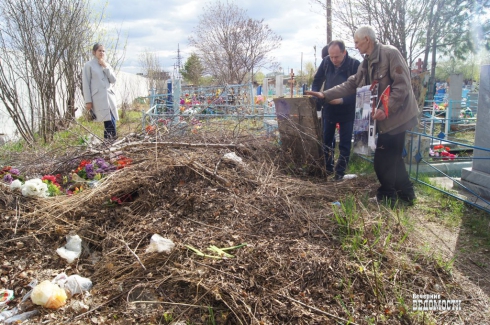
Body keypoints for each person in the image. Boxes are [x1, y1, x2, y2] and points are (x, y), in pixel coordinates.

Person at [306, 26, 419, 206]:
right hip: (386, 117)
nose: (355, 46)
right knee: (394, 157)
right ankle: (407, 195)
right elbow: (353, 83)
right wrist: (325, 94)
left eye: (357, 42)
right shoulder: (367, 62)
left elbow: (402, 86)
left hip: (398, 117)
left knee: (383, 159)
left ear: (367, 39)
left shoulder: (390, 54)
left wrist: (385, 108)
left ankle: (387, 195)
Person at [312, 40, 360, 181]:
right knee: (326, 141)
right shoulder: (326, 62)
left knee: (345, 144)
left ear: (344, 52)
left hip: (347, 110)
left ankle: (339, 174)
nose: (333, 60)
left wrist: (342, 100)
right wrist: (316, 94)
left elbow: (359, 91)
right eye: (331, 56)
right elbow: (317, 80)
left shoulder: (354, 65)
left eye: (336, 57)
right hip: (329, 108)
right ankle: (327, 169)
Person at [82, 43, 118, 140]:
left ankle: (110, 142)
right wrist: (88, 101)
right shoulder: (89, 65)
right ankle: (110, 142)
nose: (102, 52)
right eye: (99, 50)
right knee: (108, 120)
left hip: (109, 98)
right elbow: (86, 83)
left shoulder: (107, 65)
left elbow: (113, 80)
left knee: (111, 120)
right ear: (94, 52)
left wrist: (105, 67)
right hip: (98, 98)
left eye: (103, 51)